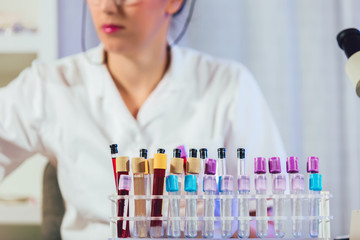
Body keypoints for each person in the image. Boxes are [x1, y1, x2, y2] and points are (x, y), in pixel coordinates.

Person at [0, 0, 286, 239]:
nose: (108, 7)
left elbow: (273, 218)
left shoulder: (228, 85)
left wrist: (214, 223)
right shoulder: (49, 85)